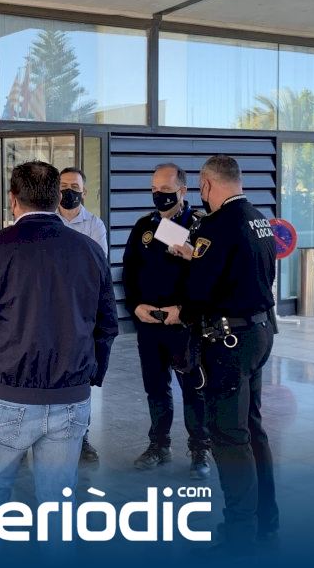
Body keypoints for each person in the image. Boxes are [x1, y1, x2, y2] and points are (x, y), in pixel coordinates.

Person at [0, 161, 118, 510]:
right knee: (58, 503)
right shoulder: (89, 250)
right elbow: (107, 324)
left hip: (6, 393)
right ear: (57, 197)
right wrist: (91, 375)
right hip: (70, 395)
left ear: (13, 200)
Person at [166, 154, 279, 553]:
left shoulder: (217, 225)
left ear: (207, 185)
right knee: (252, 428)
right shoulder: (258, 218)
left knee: (229, 437)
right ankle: (265, 520)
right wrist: (196, 256)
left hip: (228, 340)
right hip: (259, 331)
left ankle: (239, 533)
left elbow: (201, 289)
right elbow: (242, 271)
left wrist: (181, 309)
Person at [121, 163, 211, 479]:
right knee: (156, 388)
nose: (158, 195)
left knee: (193, 389)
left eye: (166, 190)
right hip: (149, 323)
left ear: (183, 190)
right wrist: (135, 306)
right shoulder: (144, 226)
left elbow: (210, 277)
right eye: (154, 189)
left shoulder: (201, 226)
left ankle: (200, 449)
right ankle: (159, 445)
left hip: (184, 324)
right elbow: (129, 271)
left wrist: (184, 309)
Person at [57, 166, 108, 462]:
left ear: (84, 192)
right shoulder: (48, 220)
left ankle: (82, 437)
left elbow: (97, 268)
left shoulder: (95, 225)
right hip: (51, 312)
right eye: (63, 186)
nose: (69, 191)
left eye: (75, 187)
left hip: (81, 313)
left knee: (80, 377)